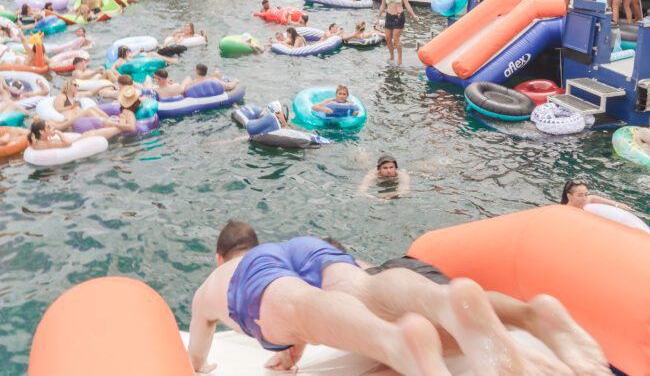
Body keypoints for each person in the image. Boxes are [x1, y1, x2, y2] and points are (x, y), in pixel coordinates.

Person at [187, 221, 609, 375]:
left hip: (264, 283)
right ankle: (461, 304)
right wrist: (291, 351)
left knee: (299, 305)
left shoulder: (218, 282)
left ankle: (396, 341)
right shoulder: (277, 251)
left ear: (220, 257)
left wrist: (199, 365)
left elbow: (197, 350)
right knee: (366, 288)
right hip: (311, 247)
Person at [324, 237, 609, 375]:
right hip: (411, 267)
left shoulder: (320, 273)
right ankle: (527, 315)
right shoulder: (353, 259)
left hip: (373, 286)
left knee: (404, 335)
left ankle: (513, 348)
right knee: (452, 301)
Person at [375, 0, 419, 65]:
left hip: (399, 17)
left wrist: (414, 15)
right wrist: (378, 17)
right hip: (389, 17)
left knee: (396, 39)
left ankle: (400, 59)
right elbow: (383, 5)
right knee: (387, 38)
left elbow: (407, 5)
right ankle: (392, 56)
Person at [560, 179, 631, 211]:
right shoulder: (565, 211)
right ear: (569, 196)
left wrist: (617, 205)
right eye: (580, 195)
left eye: (586, 194)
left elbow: (592, 198)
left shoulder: (581, 202)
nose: (584, 198)